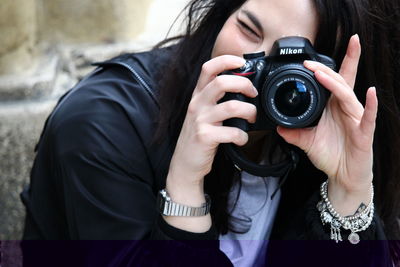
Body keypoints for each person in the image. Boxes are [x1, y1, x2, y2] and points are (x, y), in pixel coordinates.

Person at [21, 0, 400, 266]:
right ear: (223, 12)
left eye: (296, 71)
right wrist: (185, 187)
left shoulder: (321, 138)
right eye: (248, 28)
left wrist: (349, 196)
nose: (261, 72)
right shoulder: (102, 126)